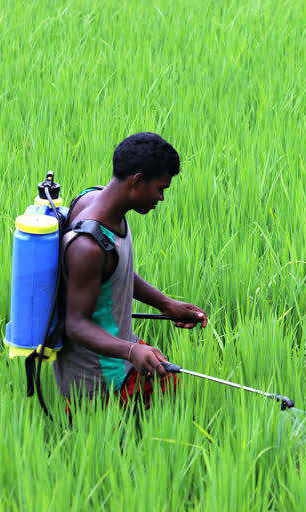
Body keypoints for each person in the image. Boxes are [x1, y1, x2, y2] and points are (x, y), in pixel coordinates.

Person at [53, 132, 207, 410]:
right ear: (137, 181)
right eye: (160, 189)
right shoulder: (87, 247)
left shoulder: (97, 200)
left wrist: (167, 304)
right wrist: (132, 350)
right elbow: (75, 324)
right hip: (97, 382)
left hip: (120, 353)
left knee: (165, 389)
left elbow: (115, 271)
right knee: (115, 448)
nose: (161, 198)